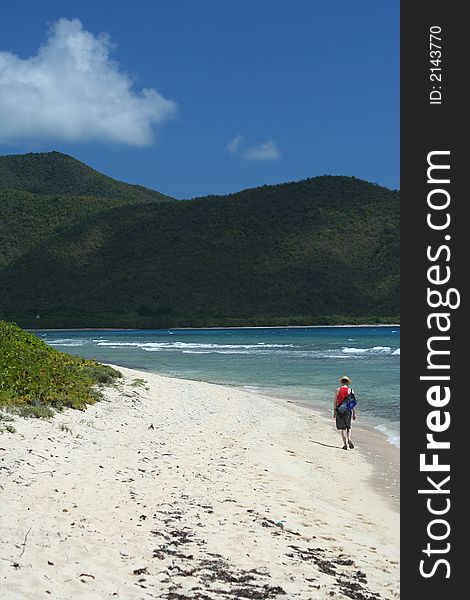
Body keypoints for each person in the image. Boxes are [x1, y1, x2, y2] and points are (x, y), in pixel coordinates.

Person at [333, 375, 356, 450]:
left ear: (341, 382)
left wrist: (334, 411)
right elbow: (352, 403)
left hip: (340, 410)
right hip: (348, 410)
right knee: (348, 427)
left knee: (343, 428)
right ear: (348, 383)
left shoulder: (337, 390)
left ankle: (345, 445)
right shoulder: (351, 390)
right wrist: (354, 413)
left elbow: (335, 402)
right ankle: (349, 439)